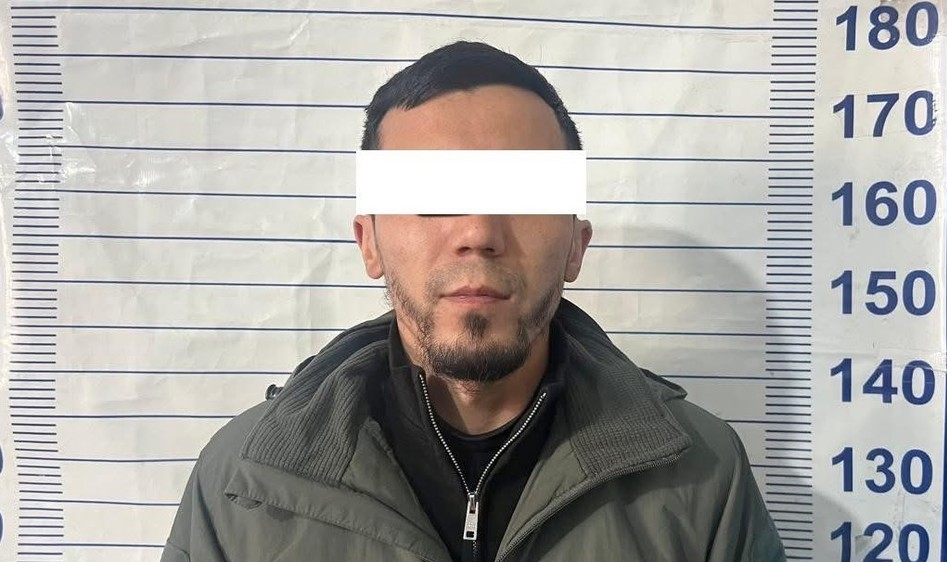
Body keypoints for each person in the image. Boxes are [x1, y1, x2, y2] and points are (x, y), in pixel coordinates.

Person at [162, 40, 786, 562]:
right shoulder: (243, 485)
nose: (478, 232)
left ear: (575, 246)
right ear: (370, 242)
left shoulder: (704, 478)